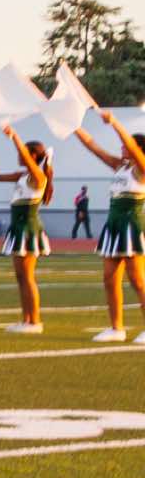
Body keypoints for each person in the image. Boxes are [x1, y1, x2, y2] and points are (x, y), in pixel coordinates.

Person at [72, 109, 145, 343]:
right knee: (109, 278)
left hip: (132, 226)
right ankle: (116, 328)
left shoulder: (141, 168)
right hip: (113, 226)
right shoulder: (120, 166)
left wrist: (114, 122)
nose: (122, 148)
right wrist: (72, 126)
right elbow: (93, 147)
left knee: (138, 280)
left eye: (127, 146)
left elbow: (130, 146)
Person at [0, 125, 52, 334]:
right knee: (20, 277)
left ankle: (35, 322)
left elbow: (27, 159)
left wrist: (15, 136)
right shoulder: (22, 175)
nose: (18, 156)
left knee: (27, 276)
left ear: (32, 156)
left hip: (29, 228)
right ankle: (26, 320)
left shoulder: (38, 177)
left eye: (23, 153)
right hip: (18, 227)